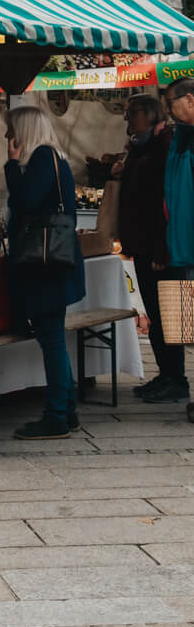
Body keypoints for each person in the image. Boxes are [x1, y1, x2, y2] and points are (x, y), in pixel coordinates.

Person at [5, 103, 85, 440]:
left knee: (51, 339)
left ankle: (56, 415)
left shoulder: (40, 160)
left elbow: (25, 202)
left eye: (12, 132)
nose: (8, 137)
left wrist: (11, 165)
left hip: (45, 266)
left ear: (24, 133)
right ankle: (66, 410)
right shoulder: (56, 160)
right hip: (55, 264)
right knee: (53, 338)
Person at [116, 95, 185, 403]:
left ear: (148, 114)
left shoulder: (166, 145)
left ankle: (177, 378)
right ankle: (167, 374)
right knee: (156, 316)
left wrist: (162, 248)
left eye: (132, 114)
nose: (127, 120)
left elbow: (168, 202)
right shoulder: (142, 146)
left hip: (163, 249)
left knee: (170, 314)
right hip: (144, 245)